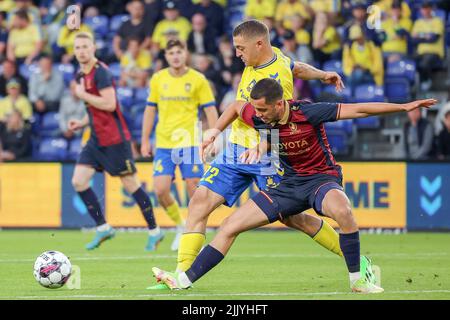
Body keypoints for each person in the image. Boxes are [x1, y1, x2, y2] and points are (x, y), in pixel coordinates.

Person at [152, 78, 437, 293]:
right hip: (287, 185)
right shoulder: (259, 113)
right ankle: (182, 281)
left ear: (279, 104)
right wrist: (215, 131)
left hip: (320, 180)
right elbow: (239, 107)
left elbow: (359, 109)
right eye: (258, 110)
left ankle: (358, 278)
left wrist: (403, 106)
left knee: (343, 210)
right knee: (228, 226)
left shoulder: (310, 112)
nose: (259, 115)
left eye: (263, 110)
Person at [155, 20, 368, 292]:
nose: (237, 54)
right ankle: (180, 274)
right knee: (200, 201)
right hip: (236, 147)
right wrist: (323, 74)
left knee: (293, 218)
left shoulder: (276, 78)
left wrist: (262, 147)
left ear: (259, 44)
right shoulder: (271, 57)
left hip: (265, 153)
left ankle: (357, 260)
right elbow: (297, 66)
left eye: (241, 48)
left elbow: (281, 122)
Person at [69, 32, 163, 251]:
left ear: (93, 48)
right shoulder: (79, 76)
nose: (81, 51)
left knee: (131, 185)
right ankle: (103, 228)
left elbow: (110, 104)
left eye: (85, 46)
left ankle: (155, 231)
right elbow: (94, 108)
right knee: (78, 181)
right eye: (77, 47)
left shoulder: (101, 72)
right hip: (95, 138)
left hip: (114, 140)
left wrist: (83, 95)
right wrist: (82, 122)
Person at [140, 39, 219, 252]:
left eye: (179, 52)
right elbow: (150, 110)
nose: (175, 56)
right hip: (164, 144)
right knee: (161, 190)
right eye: (171, 52)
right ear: (166, 56)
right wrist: (145, 139)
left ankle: (195, 232)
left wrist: (213, 137)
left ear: (186, 54)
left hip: (190, 142)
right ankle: (180, 225)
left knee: (195, 188)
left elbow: (210, 110)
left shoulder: (198, 79)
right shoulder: (158, 79)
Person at [411, 1, 445, 91]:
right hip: (421, 52)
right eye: (423, 8)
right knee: (410, 61)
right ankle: (413, 85)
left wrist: (420, 35)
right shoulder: (418, 22)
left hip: (435, 52)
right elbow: (414, 40)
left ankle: (426, 81)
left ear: (431, 9)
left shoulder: (437, 21)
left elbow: (433, 39)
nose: (424, 10)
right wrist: (426, 35)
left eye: (426, 8)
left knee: (425, 62)